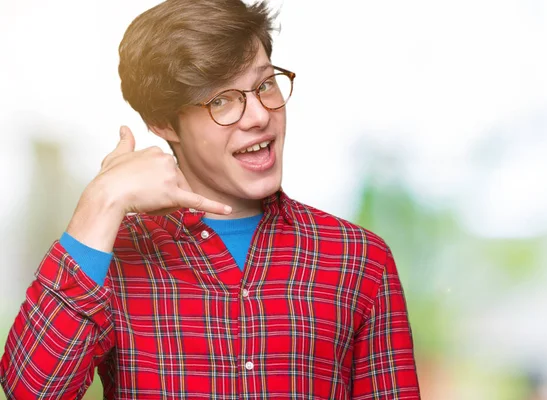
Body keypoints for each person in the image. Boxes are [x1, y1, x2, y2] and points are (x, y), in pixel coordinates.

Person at [0, 0, 420, 398]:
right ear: (164, 123)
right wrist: (103, 198)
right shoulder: (110, 258)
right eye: (222, 100)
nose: (259, 116)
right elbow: (30, 392)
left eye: (265, 85)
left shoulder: (359, 260)